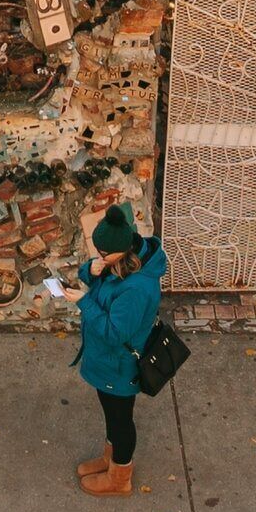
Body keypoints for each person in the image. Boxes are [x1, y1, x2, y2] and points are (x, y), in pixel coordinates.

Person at [73, 197, 166, 496]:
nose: (99, 255)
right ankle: (109, 459)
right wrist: (92, 270)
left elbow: (114, 333)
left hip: (119, 364)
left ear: (123, 248)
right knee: (111, 413)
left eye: (104, 253)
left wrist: (83, 302)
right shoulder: (121, 259)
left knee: (120, 419)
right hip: (108, 360)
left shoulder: (137, 289)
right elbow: (97, 280)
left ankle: (119, 478)